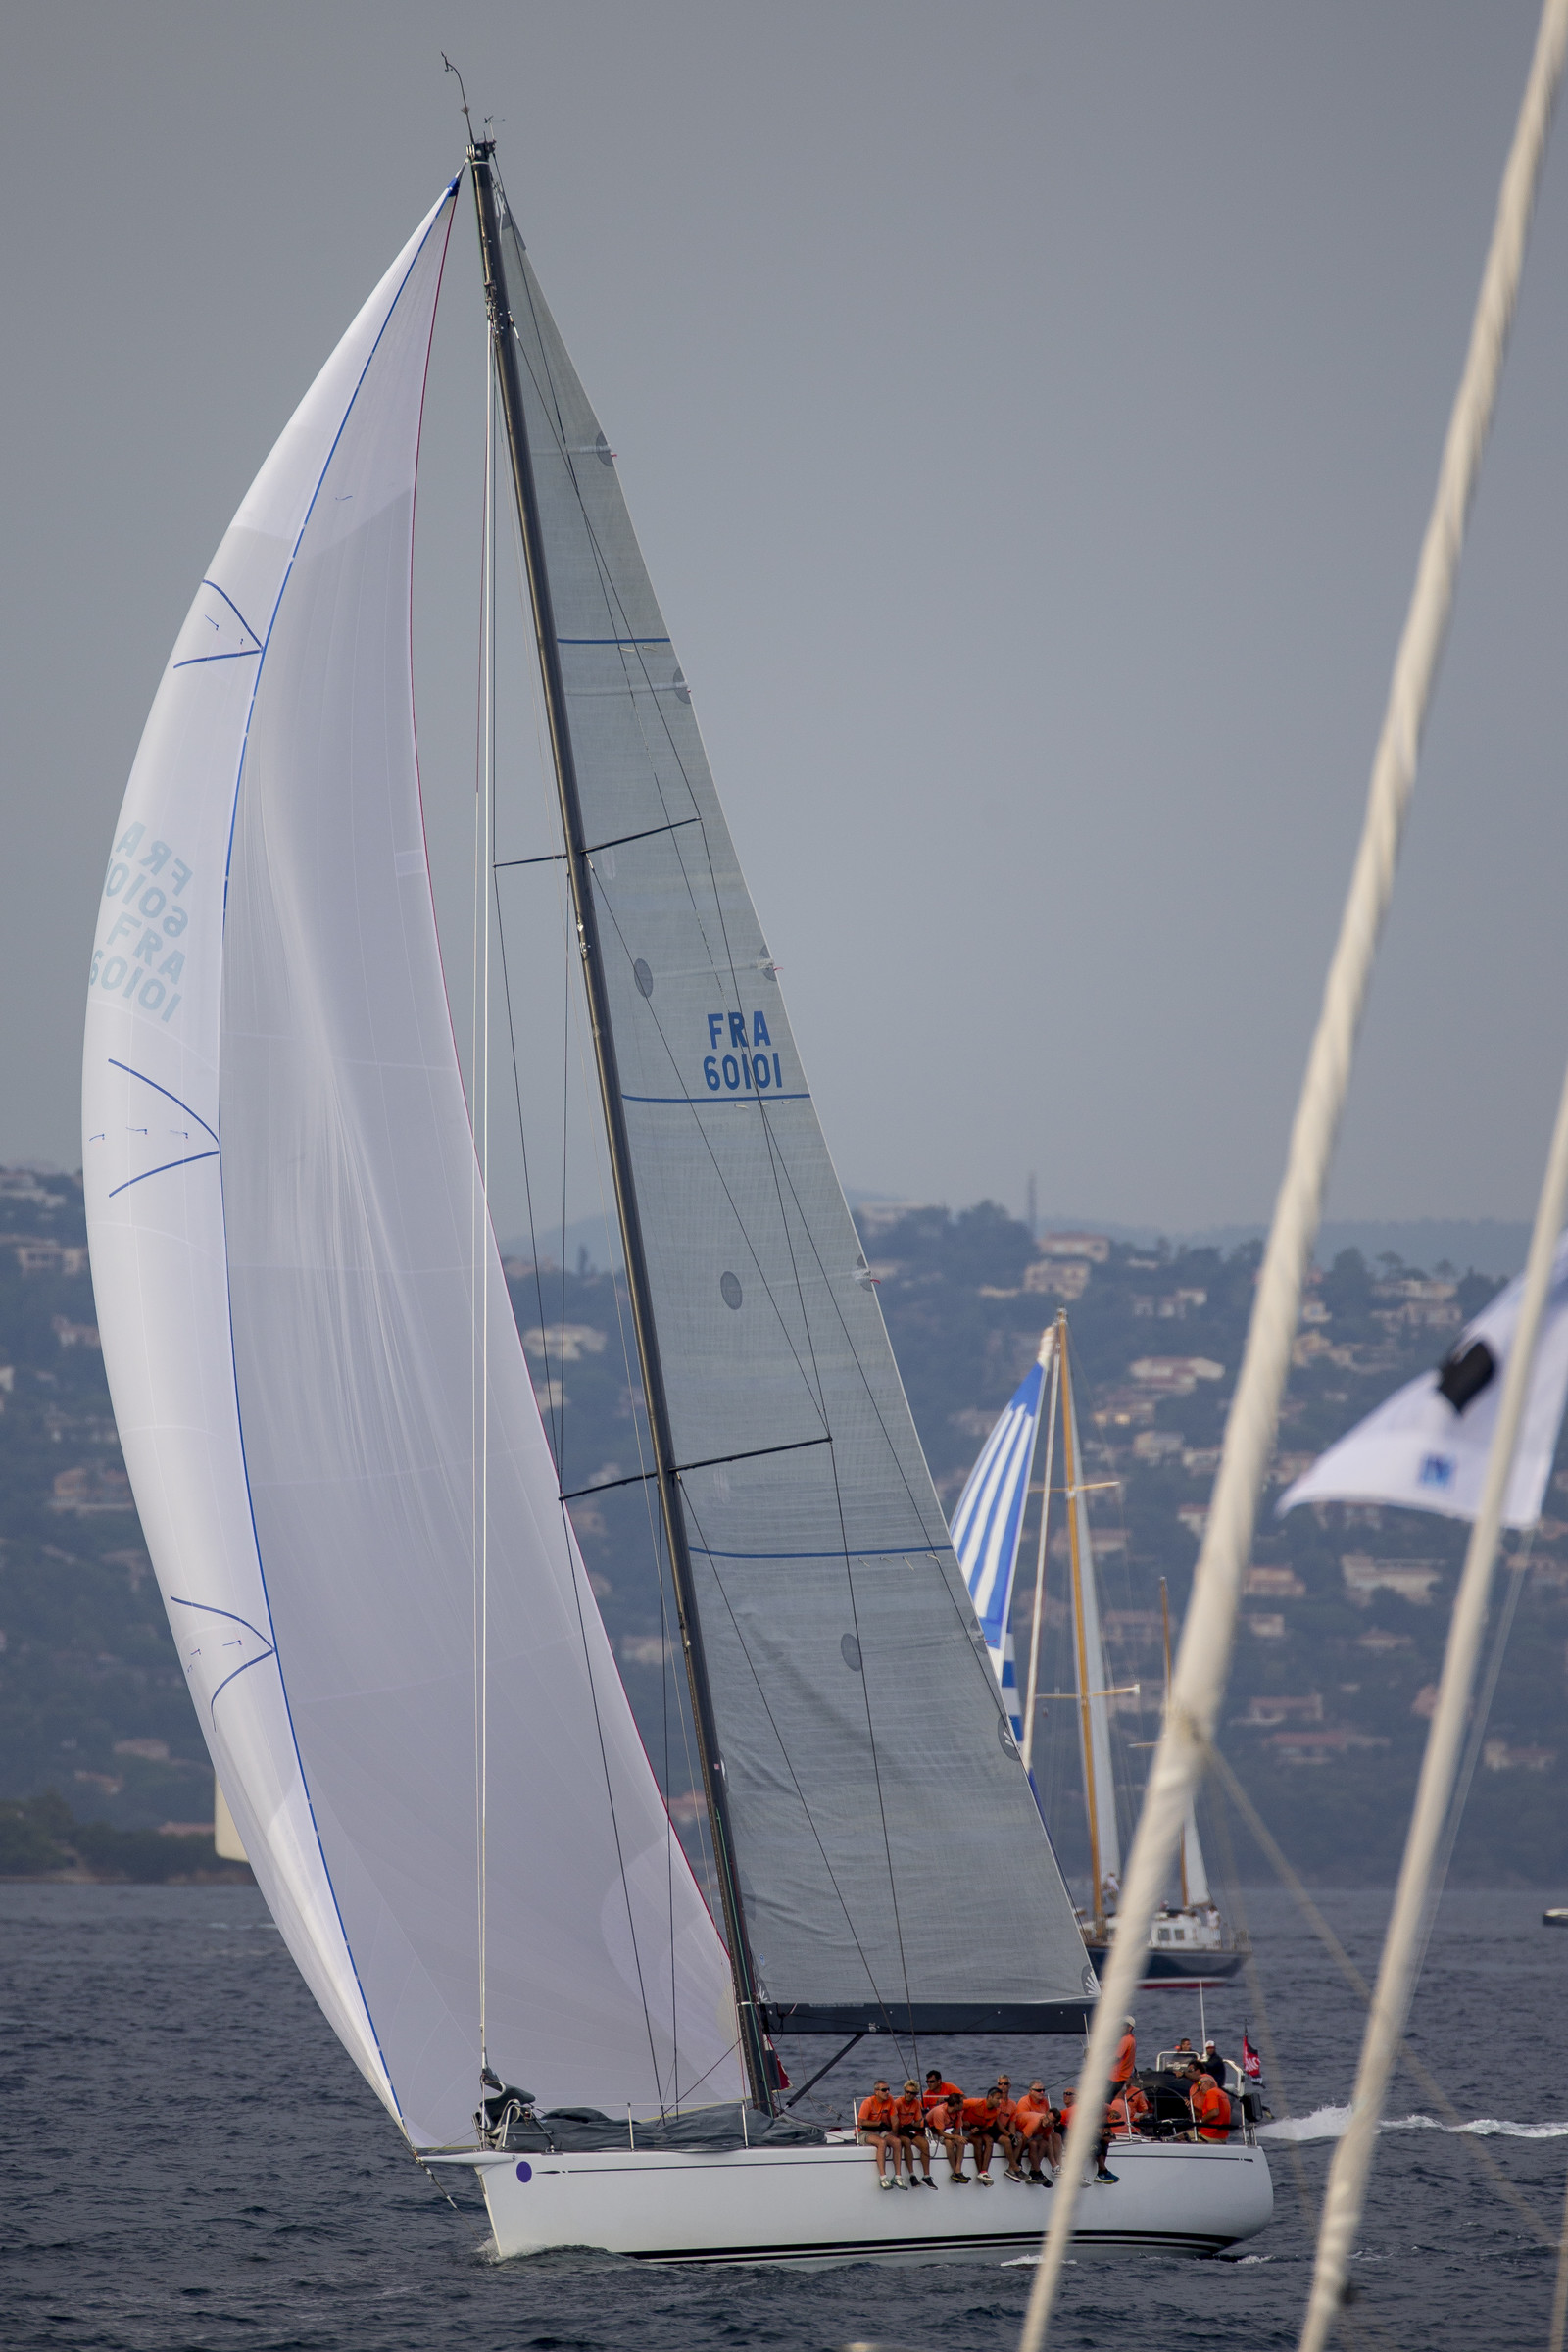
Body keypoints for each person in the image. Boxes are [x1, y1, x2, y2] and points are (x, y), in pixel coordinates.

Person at [1012, 2080, 1060, 2182]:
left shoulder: (1044, 2103)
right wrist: (1018, 2159)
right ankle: (1035, 2170)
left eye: (1043, 2090)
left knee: (1049, 2140)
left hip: (1037, 2130)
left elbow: (1047, 2124)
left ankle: (1050, 2168)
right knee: (1033, 2144)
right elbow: (1025, 2132)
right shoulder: (1024, 2102)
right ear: (1030, 2091)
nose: (1042, 2092)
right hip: (1023, 2130)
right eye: (1038, 2091)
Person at [893, 2079, 937, 2187]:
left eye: (912, 2093)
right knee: (907, 2142)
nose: (909, 2095)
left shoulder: (916, 2103)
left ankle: (926, 2176)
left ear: (916, 2094)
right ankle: (912, 2175)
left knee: (924, 2144)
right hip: (897, 2131)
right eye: (907, 2092)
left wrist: (923, 2121)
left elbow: (917, 2122)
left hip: (908, 2129)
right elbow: (892, 2120)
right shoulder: (897, 2103)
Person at [858, 2078, 901, 2187]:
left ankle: (897, 2176)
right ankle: (883, 2177)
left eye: (888, 2089)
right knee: (882, 2143)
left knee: (896, 2142)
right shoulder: (868, 2102)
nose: (887, 2092)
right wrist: (878, 2123)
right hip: (865, 2132)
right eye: (884, 2090)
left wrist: (893, 2134)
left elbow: (894, 2119)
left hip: (881, 2131)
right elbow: (861, 2122)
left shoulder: (890, 2100)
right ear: (876, 2092)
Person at [960, 2086, 1005, 2182]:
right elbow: (956, 2108)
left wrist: (978, 2130)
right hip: (964, 2127)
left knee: (989, 2140)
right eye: (997, 2098)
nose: (1000, 2101)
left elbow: (987, 2127)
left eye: (1001, 2099)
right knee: (978, 2141)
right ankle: (980, 2172)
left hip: (978, 2129)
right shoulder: (974, 2103)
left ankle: (984, 2172)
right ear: (989, 2097)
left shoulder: (996, 2111)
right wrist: (962, 2122)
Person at [926, 2085, 968, 2180]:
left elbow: (958, 2128)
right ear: (956, 2105)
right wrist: (955, 2137)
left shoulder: (958, 2112)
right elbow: (940, 2132)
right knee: (949, 2143)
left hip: (945, 2131)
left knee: (961, 2142)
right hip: (933, 2131)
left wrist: (956, 2137)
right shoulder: (940, 2112)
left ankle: (958, 2170)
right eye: (961, 2103)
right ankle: (955, 2171)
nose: (963, 2104)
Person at [991, 2075, 1025, 2180]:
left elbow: (1012, 2122)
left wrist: (1013, 2135)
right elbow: (996, 2122)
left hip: (1004, 2129)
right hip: (992, 2129)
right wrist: (1009, 2135)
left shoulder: (1013, 2104)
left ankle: (1010, 2169)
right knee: (1007, 2141)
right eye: (1000, 2084)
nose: (1002, 2086)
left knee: (1019, 2141)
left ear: (1009, 2086)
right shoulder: (996, 2101)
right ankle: (1016, 2167)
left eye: (1005, 2084)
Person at [1189, 2070, 1232, 2143]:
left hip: (1209, 2136)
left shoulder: (1211, 2093)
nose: (1200, 2089)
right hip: (1221, 2138)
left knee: (1179, 2137)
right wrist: (1191, 2107)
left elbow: (1214, 2112)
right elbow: (1207, 2114)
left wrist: (1200, 2122)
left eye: (1201, 2084)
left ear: (1208, 2083)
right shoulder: (1222, 2094)